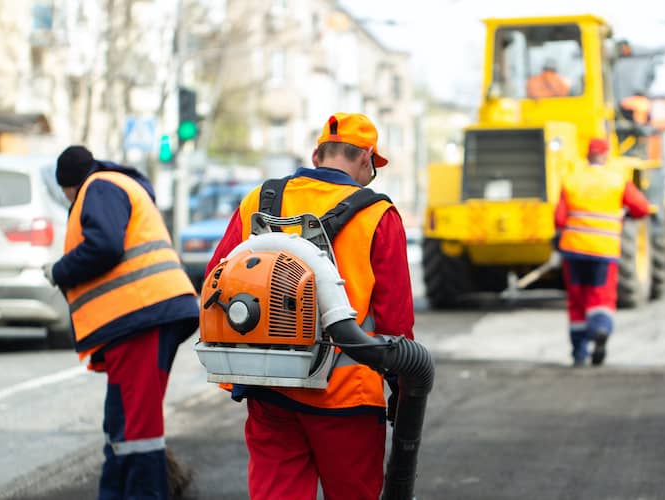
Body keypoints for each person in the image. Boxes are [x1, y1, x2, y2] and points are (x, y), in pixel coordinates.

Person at [205, 113, 415, 499]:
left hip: (271, 385)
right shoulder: (377, 215)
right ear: (367, 158)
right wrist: (404, 389)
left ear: (317, 155)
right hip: (346, 397)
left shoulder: (260, 199)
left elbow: (217, 275)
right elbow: (395, 321)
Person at [44, 145, 199, 500]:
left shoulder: (98, 186)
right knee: (123, 422)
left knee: (136, 427)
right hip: (143, 317)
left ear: (68, 185)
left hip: (140, 317)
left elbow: (104, 245)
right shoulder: (116, 185)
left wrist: (58, 270)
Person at [555, 138, 654, 367]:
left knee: (577, 300)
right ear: (606, 155)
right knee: (601, 297)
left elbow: (559, 218)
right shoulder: (617, 180)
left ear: (587, 155)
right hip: (604, 250)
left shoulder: (572, 179)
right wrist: (625, 216)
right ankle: (600, 329)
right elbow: (642, 207)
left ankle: (579, 353)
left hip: (574, 250)